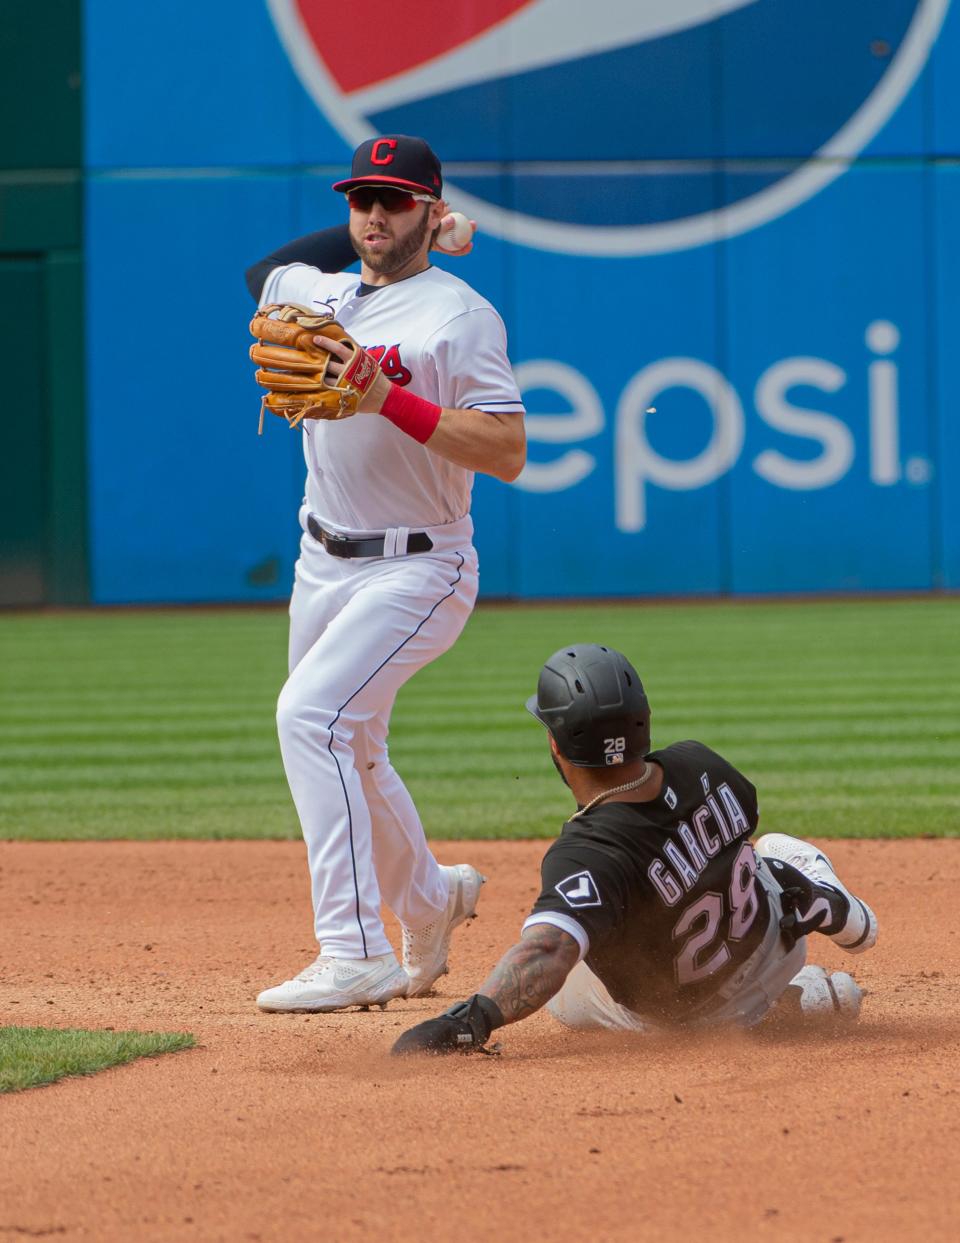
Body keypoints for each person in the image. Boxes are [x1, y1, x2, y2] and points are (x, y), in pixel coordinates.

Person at [246, 135, 526, 1013]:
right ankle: (433, 900)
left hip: (421, 564)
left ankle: (354, 948)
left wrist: (385, 398)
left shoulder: (460, 316)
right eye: (362, 197)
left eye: (396, 200)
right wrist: (407, 234)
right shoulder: (320, 292)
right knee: (356, 749)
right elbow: (264, 270)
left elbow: (508, 449)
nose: (373, 213)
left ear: (429, 207)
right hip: (320, 558)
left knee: (310, 715)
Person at [392, 644, 878, 1054]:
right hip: (773, 943)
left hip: (692, 1023)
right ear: (642, 721)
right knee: (762, 852)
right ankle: (814, 898)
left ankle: (806, 999)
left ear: (556, 746)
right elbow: (735, 828)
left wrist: (469, 1020)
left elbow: (548, 950)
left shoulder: (585, 852)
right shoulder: (699, 761)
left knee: (571, 972)